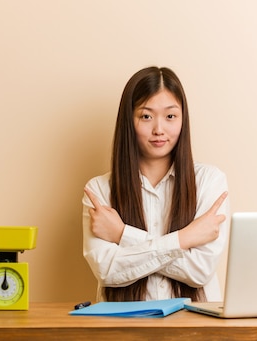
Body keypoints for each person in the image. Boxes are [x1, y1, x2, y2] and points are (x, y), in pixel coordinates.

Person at [82, 66, 230, 303]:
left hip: (193, 329)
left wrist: (122, 235)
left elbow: (199, 271)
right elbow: (108, 271)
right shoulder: (99, 191)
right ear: (128, 121)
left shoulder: (209, 181)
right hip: (122, 330)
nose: (159, 130)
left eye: (170, 116)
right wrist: (183, 240)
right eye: (146, 116)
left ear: (183, 119)